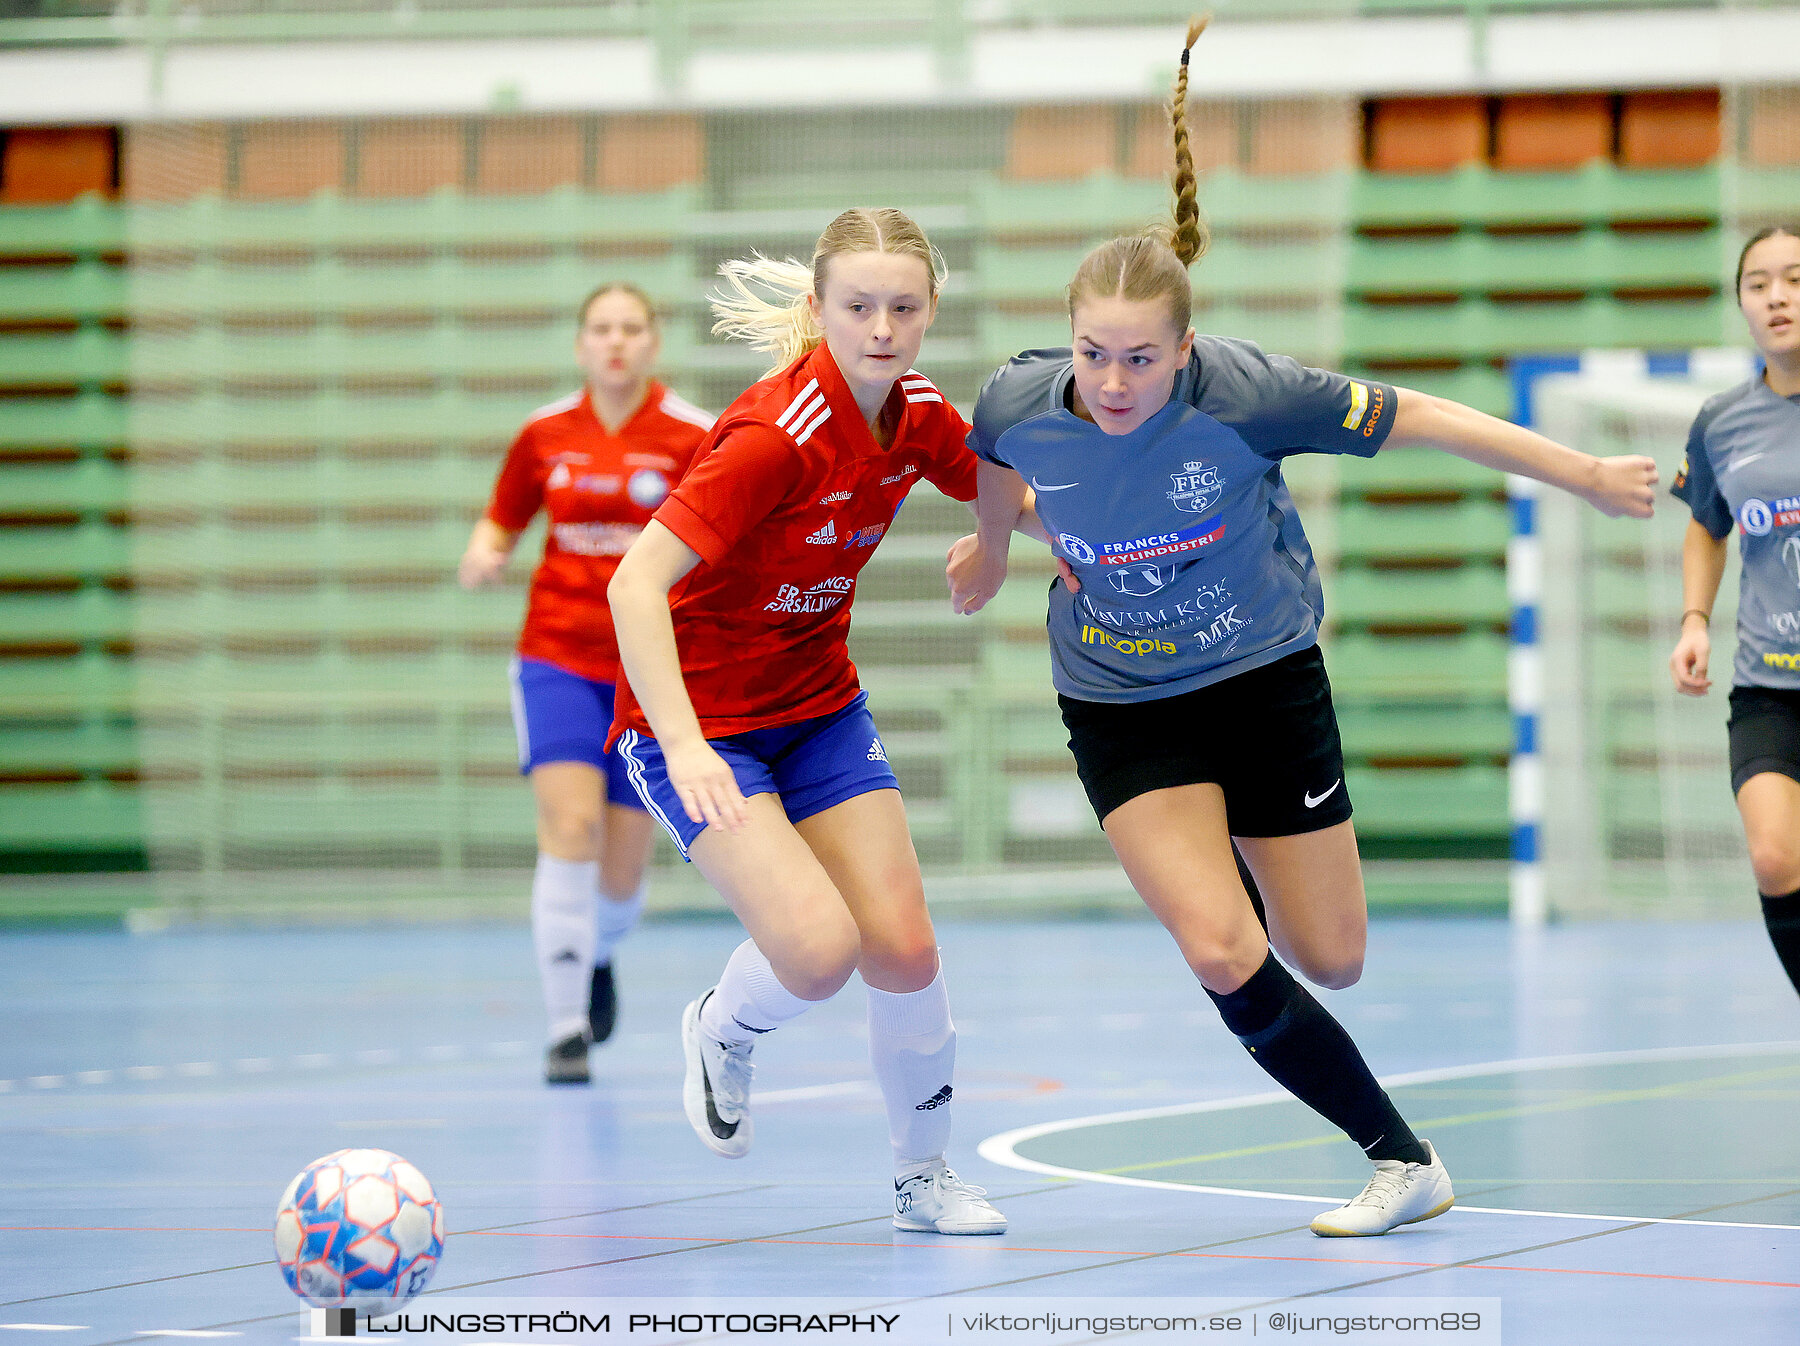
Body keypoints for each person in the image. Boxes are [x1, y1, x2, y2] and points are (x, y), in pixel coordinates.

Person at [948, 19, 1658, 1237]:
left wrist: (1584, 474)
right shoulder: (1021, 398)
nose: (1113, 383)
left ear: (1185, 349)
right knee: (1224, 947)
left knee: (1329, 956)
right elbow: (996, 462)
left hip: (1266, 677)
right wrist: (1002, 545)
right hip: (1121, 698)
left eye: (1141, 360)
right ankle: (1400, 1155)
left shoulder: (1249, 395)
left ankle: (1227, 858)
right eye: (1094, 355)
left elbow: (1427, 413)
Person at [607, 208, 1044, 1235]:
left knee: (903, 944)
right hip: (699, 724)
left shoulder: (922, 413)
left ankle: (922, 1174)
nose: (881, 326)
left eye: (902, 306)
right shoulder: (774, 437)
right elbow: (635, 586)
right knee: (815, 951)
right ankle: (721, 1025)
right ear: (820, 310)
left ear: (931, 312)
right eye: (858, 306)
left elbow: (1004, 490)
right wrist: (681, 746)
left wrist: (1060, 545)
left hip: (818, 710)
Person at [459, 282, 712, 1085]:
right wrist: (483, 554)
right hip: (557, 658)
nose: (615, 342)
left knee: (623, 870)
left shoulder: (692, 434)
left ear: (652, 343)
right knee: (569, 829)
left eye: (631, 328)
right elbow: (501, 518)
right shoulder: (544, 434)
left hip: (649, 671)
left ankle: (596, 951)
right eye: (601, 329)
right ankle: (566, 1027)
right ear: (580, 345)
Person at [1669, 224, 1800, 1001]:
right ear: (1743, 303)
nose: (1778, 295)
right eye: (1759, 283)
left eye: (1794, 277)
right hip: (1768, 684)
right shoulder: (1723, 420)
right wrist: (1694, 620)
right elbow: (1705, 524)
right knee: (1775, 858)